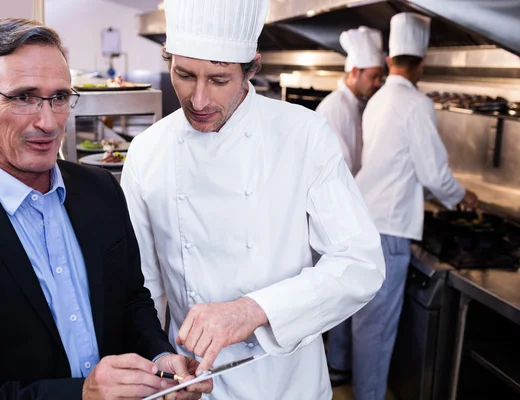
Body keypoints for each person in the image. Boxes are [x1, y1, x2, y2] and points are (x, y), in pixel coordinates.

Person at [0, 18, 212, 400]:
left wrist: (160, 356)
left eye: (59, 97)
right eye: (23, 97)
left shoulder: (101, 189)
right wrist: (80, 394)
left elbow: (130, 299)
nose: (48, 122)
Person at [120, 0, 386, 398]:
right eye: (185, 75)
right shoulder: (146, 151)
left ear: (251, 68)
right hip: (192, 382)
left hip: (286, 383)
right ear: (169, 60)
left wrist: (253, 310)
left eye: (220, 79)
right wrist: (157, 361)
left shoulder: (304, 135)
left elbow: (360, 264)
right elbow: (144, 286)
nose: (199, 100)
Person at [345, 12, 479, 399]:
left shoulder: (377, 99)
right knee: (378, 327)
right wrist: (461, 196)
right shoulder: (416, 104)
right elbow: (434, 174)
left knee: (366, 320)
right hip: (389, 230)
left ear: (389, 61)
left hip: (366, 220)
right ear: (421, 63)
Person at [315, 26, 384, 176]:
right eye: (373, 77)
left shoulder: (356, 105)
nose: (378, 83)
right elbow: (339, 168)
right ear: (354, 72)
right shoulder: (335, 107)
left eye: (380, 78)